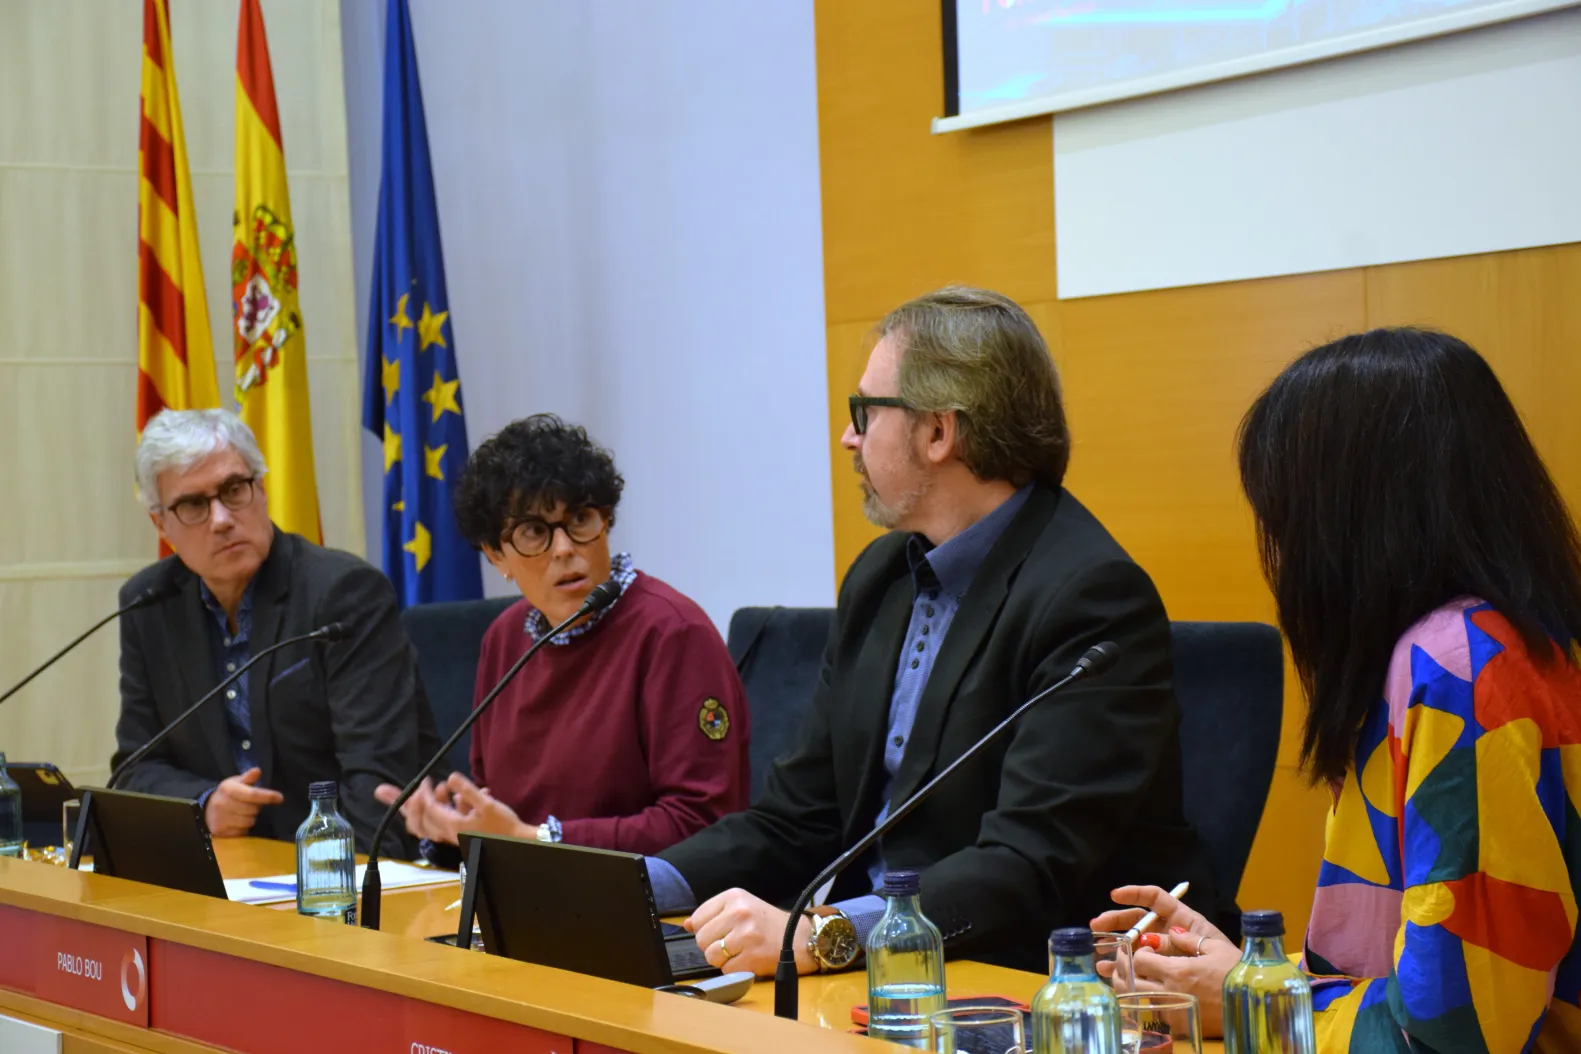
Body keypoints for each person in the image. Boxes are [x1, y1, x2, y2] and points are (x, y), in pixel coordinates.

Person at [648, 285, 1219, 979]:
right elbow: (796, 820)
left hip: (1024, 977)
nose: (848, 437)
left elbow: (1027, 863)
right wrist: (636, 887)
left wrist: (824, 934)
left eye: (864, 412)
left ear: (938, 432)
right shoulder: (880, 577)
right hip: (873, 971)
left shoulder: (1091, 598)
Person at [1093, 328, 1581, 1049]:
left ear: (1351, 521)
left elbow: (1455, 1032)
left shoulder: (1459, 668)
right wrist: (1248, 969)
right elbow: (1416, 964)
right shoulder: (1468, 646)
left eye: (1287, 522)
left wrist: (1250, 1004)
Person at [375, 414, 750, 855]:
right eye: (534, 531)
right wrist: (452, 828)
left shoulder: (672, 633)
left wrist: (537, 839)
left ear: (605, 522)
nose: (565, 547)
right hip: (530, 900)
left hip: (651, 911)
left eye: (580, 518)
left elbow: (704, 824)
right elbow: (501, 814)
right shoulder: (504, 641)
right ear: (497, 556)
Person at [113, 409, 440, 855]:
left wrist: (329, 891)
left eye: (234, 491)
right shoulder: (150, 603)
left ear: (261, 490)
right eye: (193, 505)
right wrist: (204, 804)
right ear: (161, 525)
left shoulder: (343, 594)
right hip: (232, 869)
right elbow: (134, 769)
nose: (221, 519)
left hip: (338, 873)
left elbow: (377, 781)